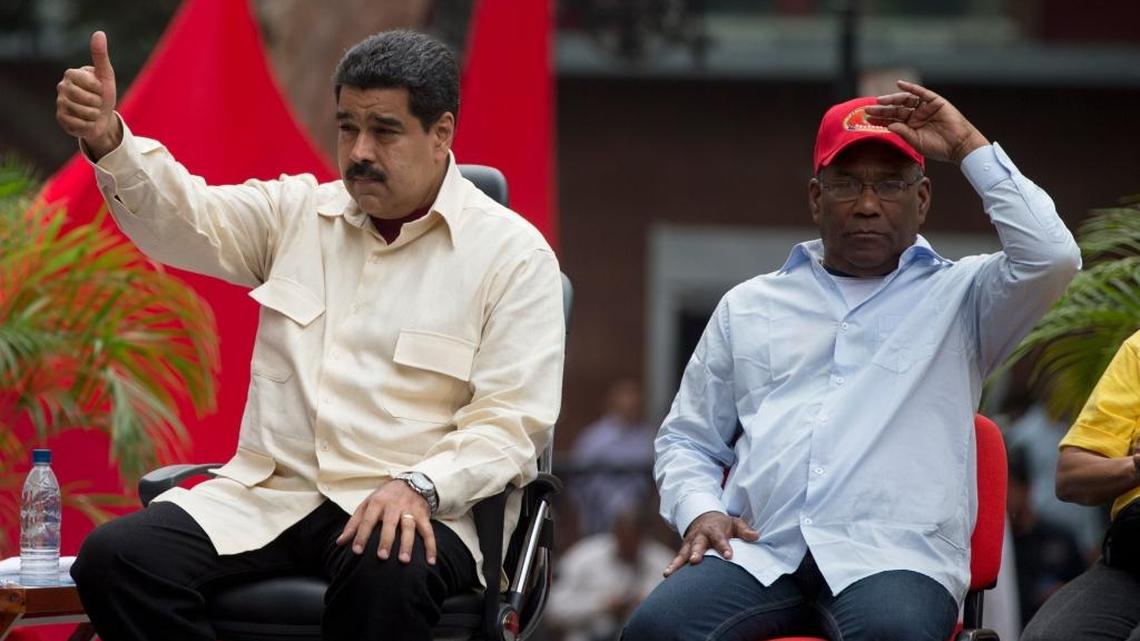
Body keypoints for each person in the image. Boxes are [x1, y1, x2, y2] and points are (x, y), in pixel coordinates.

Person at [56, 29, 565, 641]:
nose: (359, 152)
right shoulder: (298, 214)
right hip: (273, 497)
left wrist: (421, 486)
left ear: (441, 134)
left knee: (388, 565)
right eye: (348, 127)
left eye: (385, 130)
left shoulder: (514, 257)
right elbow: (186, 218)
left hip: (417, 508)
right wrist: (110, 140)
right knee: (116, 559)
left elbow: (511, 422)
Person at [623, 81, 1081, 641]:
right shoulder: (749, 305)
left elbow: (1053, 257)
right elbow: (687, 440)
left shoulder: (965, 298)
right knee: (654, 629)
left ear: (923, 199)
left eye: (890, 184)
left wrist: (967, 146)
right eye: (847, 184)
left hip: (894, 560)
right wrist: (700, 510)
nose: (867, 205)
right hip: (762, 551)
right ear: (817, 198)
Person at [1020, 330, 1140, 640]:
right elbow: (1070, 475)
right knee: (1050, 636)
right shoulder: (1137, 349)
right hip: (1131, 551)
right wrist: (1133, 467)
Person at [546, 507, 675, 641]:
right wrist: (601, 605)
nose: (628, 545)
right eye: (625, 538)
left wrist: (646, 608)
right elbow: (553, 610)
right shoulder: (582, 557)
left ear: (644, 537)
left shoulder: (665, 562)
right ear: (616, 532)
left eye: (634, 539)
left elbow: (676, 615)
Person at [1006, 446, 1086, 628]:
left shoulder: (1060, 539)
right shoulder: (999, 549)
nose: (1004, 497)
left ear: (1026, 488)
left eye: (1009, 487)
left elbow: (1083, 595)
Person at [570, 379, 656, 537]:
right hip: (599, 521)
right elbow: (577, 483)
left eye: (634, 403)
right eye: (625, 401)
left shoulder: (648, 437)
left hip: (640, 522)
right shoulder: (594, 438)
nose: (630, 406)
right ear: (613, 404)